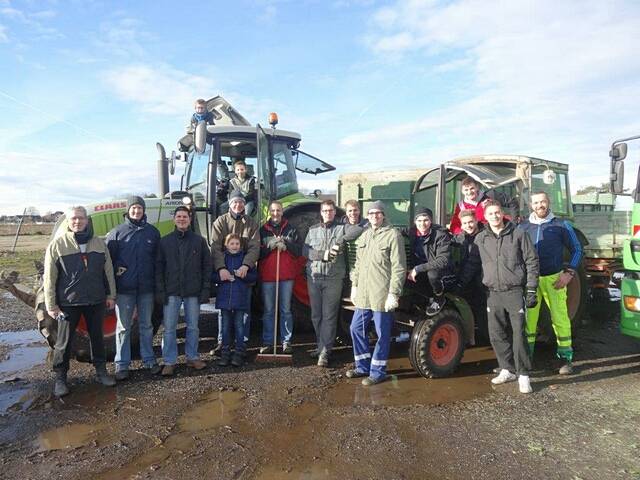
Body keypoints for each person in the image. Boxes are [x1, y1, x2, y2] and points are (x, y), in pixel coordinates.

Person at [44, 205, 117, 397]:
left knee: (97, 338)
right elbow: (49, 277)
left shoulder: (99, 243)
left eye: (81, 218)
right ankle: (60, 378)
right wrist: (51, 304)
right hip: (69, 302)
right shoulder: (58, 245)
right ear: (68, 222)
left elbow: (108, 271)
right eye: (74, 219)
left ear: (87, 220)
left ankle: (101, 371)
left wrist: (111, 295)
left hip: (95, 300)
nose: (77, 222)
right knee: (63, 342)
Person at [475, 200, 539, 394]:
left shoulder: (519, 234)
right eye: (490, 214)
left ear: (502, 214)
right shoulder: (481, 239)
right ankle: (507, 369)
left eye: (497, 213)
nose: (494, 216)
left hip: (514, 291)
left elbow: (532, 261)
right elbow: (473, 263)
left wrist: (531, 289)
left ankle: (524, 375)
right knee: (496, 334)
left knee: (519, 333)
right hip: (493, 293)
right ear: (484, 217)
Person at [519, 191, 583, 375]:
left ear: (549, 203)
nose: (540, 205)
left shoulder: (562, 225)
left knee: (560, 318)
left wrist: (569, 273)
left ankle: (565, 358)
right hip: (530, 280)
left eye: (543, 202)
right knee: (529, 320)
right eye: (536, 202)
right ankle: (527, 358)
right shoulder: (523, 227)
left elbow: (577, 250)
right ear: (531, 205)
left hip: (554, 279)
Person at [347, 201, 406, 386]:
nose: (374, 216)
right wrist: (354, 285)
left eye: (378, 213)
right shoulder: (364, 236)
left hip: (381, 294)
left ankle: (378, 371)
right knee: (356, 328)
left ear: (383, 215)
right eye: (371, 213)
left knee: (382, 334)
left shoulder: (393, 235)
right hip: (364, 294)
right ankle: (362, 366)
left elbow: (399, 267)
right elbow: (357, 264)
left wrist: (393, 293)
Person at [106, 196, 161, 380]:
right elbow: (109, 263)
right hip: (125, 289)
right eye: (134, 208)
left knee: (146, 325)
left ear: (144, 210)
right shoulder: (116, 233)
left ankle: (149, 360)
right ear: (128, 211)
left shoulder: (152, 233)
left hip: (146, 289)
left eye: (139, 208)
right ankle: (122, 364)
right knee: (123, 327)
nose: (137, 211)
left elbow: (157, 260)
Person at [303, 199, 363, 367]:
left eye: (330, 210)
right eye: (325, 211)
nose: (328, 213)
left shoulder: (342, 228)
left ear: (335, 212)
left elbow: (359, 229)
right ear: (321, 213)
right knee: (316, 315)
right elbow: (305, 250)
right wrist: (323, 254)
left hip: (333, 278)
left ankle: (324, 352)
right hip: (314, 277)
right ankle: (320, 345)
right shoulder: (312, 230)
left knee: (329, 316)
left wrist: (341, 241)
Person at [156, 206, 211, 376]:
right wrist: (161, 291)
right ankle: (169, 361)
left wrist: (205, 289)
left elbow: (206, 267)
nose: (181, 219)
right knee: (169, 328)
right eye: (178, 216)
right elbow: (158, 268)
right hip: (172, 291)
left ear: (190, 219)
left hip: (192, 291)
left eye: (184, 217)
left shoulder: (199, 241)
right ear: (174, 219)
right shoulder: (165, 242)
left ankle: (192, 357)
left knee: (193, 327)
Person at [211, 191, 260, 349]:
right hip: (226, 272)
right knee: (223, 310)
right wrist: (221, 268)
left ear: (244, 204)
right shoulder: (220, 221)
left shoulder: (251, 223)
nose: (238, 205)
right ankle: (222, 342)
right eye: (235, 202)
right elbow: (215, 247)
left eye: (241, 202)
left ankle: (242, 342)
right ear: (229, 204)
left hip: (243, 273)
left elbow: (254, 247)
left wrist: (246, 265)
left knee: (244, 309)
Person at [259, 201, 301, 354]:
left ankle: (286, 341)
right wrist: (270, 245)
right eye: (273, 210)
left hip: (286, 275)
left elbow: (298, 251)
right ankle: (268, 341)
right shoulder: (263, 230)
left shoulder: (291, 229)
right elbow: (258, 252)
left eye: (278, 210)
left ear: (282, 211)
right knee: (269, 310)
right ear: (269, 212)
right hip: (268, 276)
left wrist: (286, 244)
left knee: (285, 309)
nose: (275, 213)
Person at [213, 234, 257, 367]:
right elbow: (213, 276)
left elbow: (254, 276)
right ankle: (225, 353)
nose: (234, 246)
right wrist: (222, 277)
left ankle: (239, 352)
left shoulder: (245, 260)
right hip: (224, 299)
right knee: (225, 327)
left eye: (237, 244)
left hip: (240, 299)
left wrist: (243, 275)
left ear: (241, 246)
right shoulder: (222, 260)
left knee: (239, 326)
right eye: (232, 244)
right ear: (226, 245)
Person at [405, 207, 455, 316]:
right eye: (419, 220)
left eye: (426, 220)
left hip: (442, 273)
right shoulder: (412, 231)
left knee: (432, 274)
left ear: (431, 221)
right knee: (403, 276)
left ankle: (439, 297)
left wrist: (418, 269)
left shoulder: (440, 235)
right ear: (415, 222)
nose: (422, 224)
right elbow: (395, 231)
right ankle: (427, 298)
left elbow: (443, 260)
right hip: (422, 270)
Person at [451, 209, 487, 342]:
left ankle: (486, 339)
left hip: (482, 280)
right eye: (465, 223)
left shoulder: (484, 236)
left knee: (482, 309)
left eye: (471, 222)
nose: (468, 225)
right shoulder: (462, 237)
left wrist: (461, 283)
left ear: (476, 220)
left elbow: (473, 263)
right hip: (468, 280)